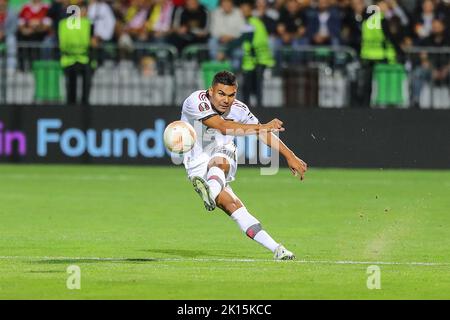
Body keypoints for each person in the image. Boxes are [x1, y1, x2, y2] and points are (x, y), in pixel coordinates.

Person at [180, 70, 307, 260]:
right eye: (221, 94)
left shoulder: (239, 109)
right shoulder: (196, 101)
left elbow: (262, 133)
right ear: (211, 91)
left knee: (220, 160)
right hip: (196, 162)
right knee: (233, 206)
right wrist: (264, 126)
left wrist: (290, 155)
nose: (226, 100)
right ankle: (275, 247)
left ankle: (278, 250)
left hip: (223, 149)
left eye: (231, 95)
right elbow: (223, 126)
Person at [58, 1, 92, 105]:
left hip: (75, 59)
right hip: (75, 59)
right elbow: (87, 42)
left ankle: (77, 108)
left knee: (77, 90)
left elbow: (64, 44)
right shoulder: (85, 23)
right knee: (72, 89)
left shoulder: (64, 23)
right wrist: (80, 49)